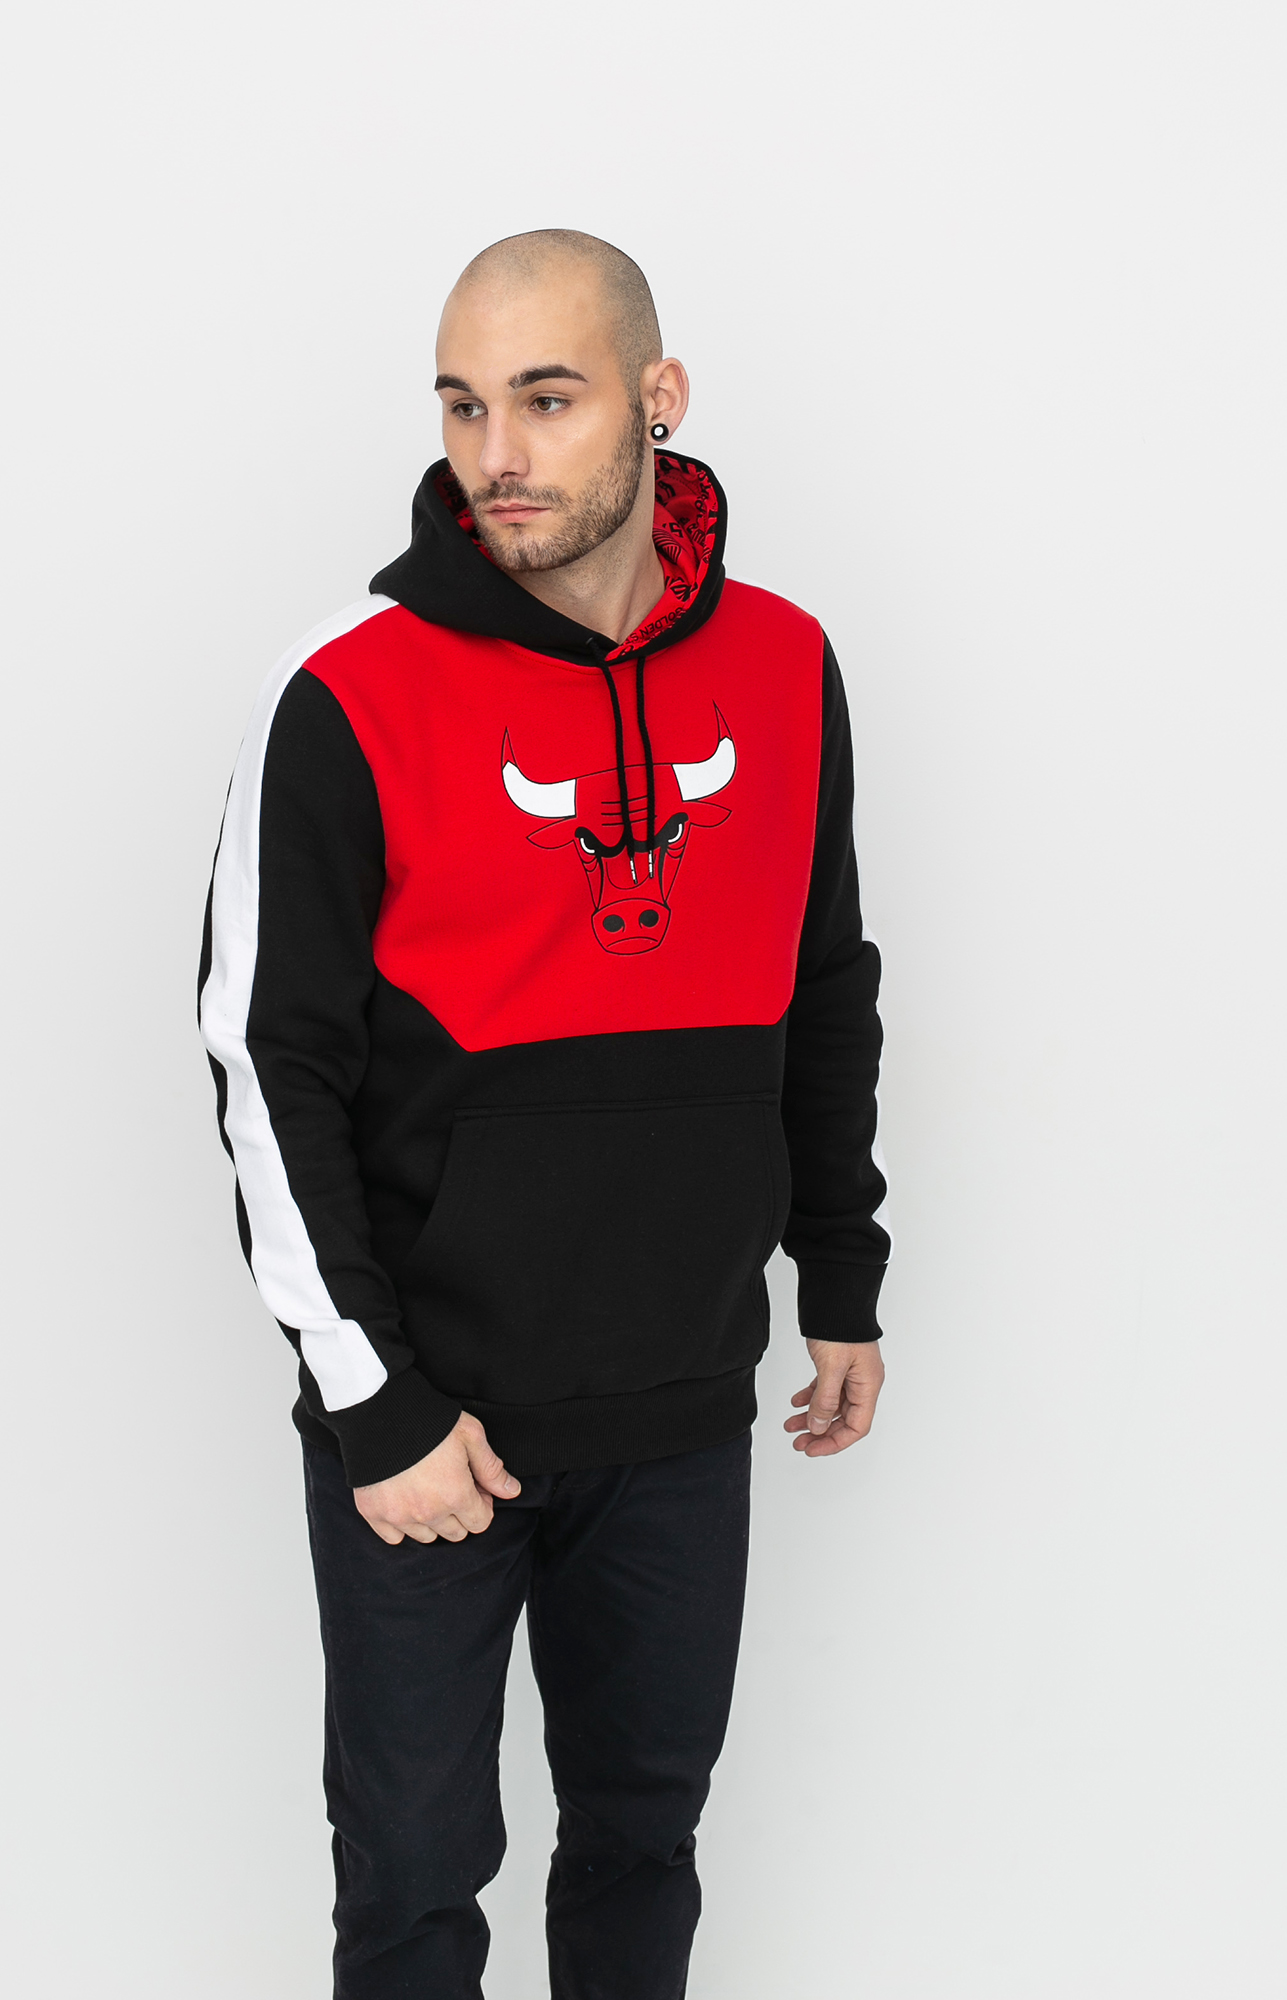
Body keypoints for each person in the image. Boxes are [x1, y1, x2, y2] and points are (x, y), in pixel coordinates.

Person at [199, 227, 889, 2000]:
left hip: (680, 1408)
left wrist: (840, 1277)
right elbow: (265, 1066)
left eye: (547, 400)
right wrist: (374, 1404)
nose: (494, 453)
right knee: (416, 1897)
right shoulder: (345, 692)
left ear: (659, 400)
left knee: (646, 1847)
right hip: (435, 1424)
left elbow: (822, 984)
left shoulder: (786, 668)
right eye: (462, 406)